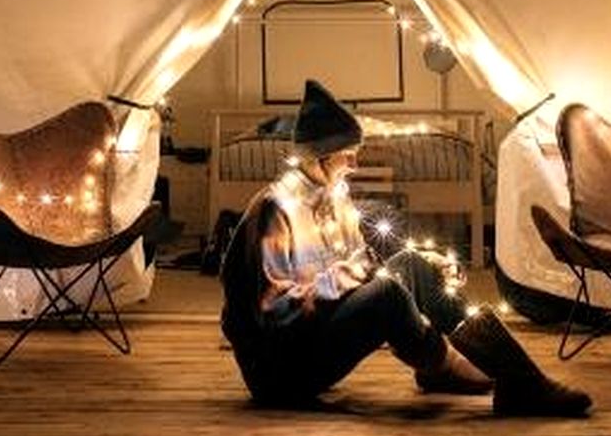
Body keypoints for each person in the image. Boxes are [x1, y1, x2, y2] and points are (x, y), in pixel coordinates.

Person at [220, 79, 591, 417]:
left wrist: (420, 264)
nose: (355, 163)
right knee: (388, 293)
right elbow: (278, 313)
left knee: (412, 265)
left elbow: (359, 264)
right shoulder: (276, 209)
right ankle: (447, 365)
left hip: (316, 336)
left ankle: (515, 378)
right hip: (280, 370)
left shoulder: (335, 195)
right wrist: (359, 273)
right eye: (348, 153)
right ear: (321, 156)